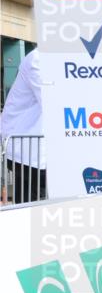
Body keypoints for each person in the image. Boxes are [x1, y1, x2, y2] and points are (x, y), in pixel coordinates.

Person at [0, 49, 45, 203]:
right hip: (28, 148)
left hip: (35, 148)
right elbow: (54, 102)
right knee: (32, 199)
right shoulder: (38, 59)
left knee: (32, 196)